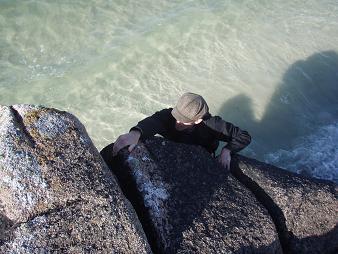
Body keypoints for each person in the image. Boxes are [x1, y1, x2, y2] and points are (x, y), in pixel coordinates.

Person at [111, 92, 251, 170]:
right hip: (175, 152)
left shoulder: (214, 124)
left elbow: (244, 136)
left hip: (202, 156)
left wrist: (227, 150)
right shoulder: (170, 115)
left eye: (182, 120)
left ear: (197, 120)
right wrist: (135, 133)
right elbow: (154, 120)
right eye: (176, 115)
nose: (176, 122)